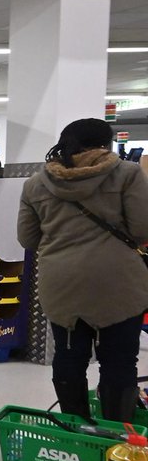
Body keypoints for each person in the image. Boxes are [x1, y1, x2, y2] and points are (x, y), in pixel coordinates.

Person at [17, 118, 148, 423]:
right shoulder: (127, 174)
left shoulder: (36, 183)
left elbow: (28, 238)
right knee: (119, 361)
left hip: (61, 282)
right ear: (107, 143)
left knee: (68, 357)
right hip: (119, 282)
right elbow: (142, 228)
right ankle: (117, 436)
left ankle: (76, 427)